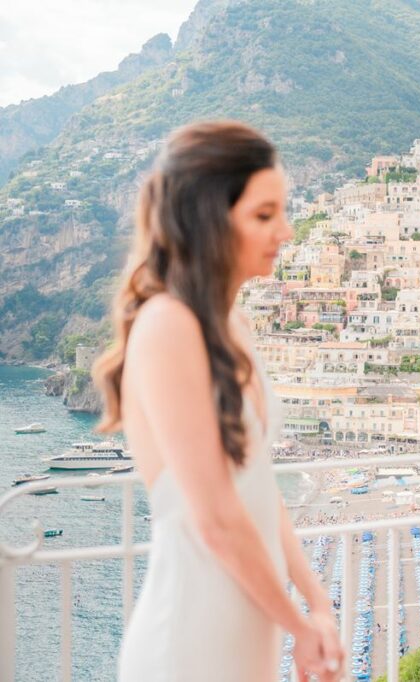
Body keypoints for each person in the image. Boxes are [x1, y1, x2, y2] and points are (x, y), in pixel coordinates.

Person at [92, 121, 344, 682]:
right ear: (211, 218)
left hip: (244, 638)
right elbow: (215, 520)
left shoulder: (235, 326)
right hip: (187, 642)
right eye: (263, 214)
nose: (286, 230)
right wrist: (299, 629)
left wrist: (318, 604)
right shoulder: (167, 325)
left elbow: (258, 488)